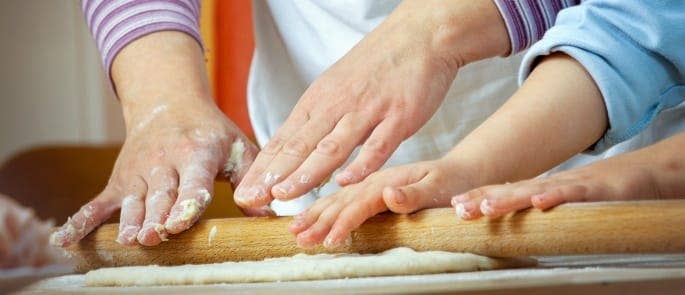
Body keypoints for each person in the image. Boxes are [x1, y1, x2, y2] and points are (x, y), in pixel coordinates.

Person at [290, 1, 685, 248]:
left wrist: (656, 172)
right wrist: (467, 169)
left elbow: (647, 23)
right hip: (338, 191)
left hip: (610, 190)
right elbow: (632, 33)